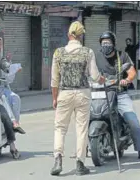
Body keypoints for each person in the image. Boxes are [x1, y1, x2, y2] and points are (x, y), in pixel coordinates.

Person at [50, 21, 105, 176]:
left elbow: (54, 80)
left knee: (60, 128)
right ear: (81, 36)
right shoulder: (88, 52)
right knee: (81, 129)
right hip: (82, 94)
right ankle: (80, 163)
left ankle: (58, 159)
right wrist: (102, 79)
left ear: (69, 35)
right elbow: (95, 76)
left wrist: (55, 98)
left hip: (64, 94)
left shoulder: (58, 53)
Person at [97, 31, 140, 160]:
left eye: (108, 43)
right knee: (85, 118)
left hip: (120, 94)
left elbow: (131, 72)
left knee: (132, 120)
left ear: (113, 44)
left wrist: (127, 80)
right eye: (103, 43)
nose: (105, 45)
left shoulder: (122, 56)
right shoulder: (96, 57)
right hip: (101, 95)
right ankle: (80, 152)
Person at [0, 36, 25, 134]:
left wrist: (12, 68)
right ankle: (13, 122)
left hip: (2, 87)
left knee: (15, 98)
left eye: (0, 45)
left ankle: (14, 126)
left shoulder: (2, 59)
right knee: (3, 98)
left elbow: (8, 79)